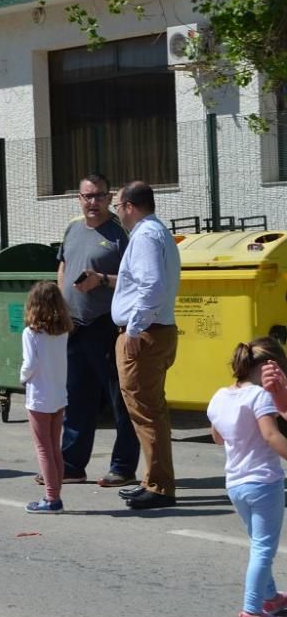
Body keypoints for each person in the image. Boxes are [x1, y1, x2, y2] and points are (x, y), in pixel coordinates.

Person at [53, 173, 139, 488]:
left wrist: (101, 279)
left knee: (120, 400)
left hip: (107, 326)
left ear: (109, 197)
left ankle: (123, 466)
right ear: (79, 198)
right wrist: (60, 304)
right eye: (87, 196)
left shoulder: (120, 234)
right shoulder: (73, 229)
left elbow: (133, 280)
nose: (93, 203)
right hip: (74, 325)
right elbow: (63, 265)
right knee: (77, 398)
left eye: (99, 196)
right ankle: (72, 465)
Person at [207, 338, 287, 617]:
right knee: (264, 549)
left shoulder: (219, 396)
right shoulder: (259, 396)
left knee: (258, 543)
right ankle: (252, 612)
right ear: (269, 367)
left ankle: (271, 598)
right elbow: (271, 436)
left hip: (235, 484)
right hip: (263, 481)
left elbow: (217, 436)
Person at [111, 181, 181, 510]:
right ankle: (153, 480)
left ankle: (158, 486)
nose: (117, 213)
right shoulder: (156, 233)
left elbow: (151, 285)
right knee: (151, 410)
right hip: (156, 330)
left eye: (117, 206)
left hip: (146, 333)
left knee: (146, 411)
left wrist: (135, 330)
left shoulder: (145, 236)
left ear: (129, 206)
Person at [20, 281, 71, 513]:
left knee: (43, 449)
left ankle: (52, 499)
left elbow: (30, 364)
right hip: (59, 395)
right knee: (54, 447)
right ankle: (55, 493)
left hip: (39, 397)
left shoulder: (31, 333)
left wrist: (22, 378)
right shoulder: (62, 333)